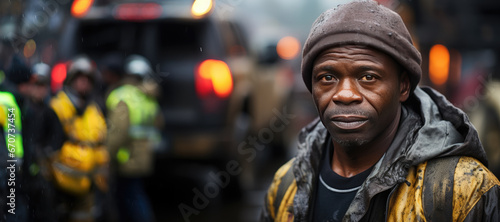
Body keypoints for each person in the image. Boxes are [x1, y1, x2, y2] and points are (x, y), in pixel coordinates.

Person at [261, 1, 500, 221]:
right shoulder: (287, 185)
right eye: (327, 77)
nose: (345, 94)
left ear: (403, 86)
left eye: (368, 77)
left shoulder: (462, 189)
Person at [45, 55, 109, 222]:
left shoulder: (94, 110)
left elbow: (100, 143)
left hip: (88, 185)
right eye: (80, 79)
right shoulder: (57, 107)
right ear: (71, 80)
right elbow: (48, 145)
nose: (83, 83)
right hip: (59, 185)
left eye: (87, 80)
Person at [105, 54, 162, 222]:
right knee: (134, 194)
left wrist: (107, 155)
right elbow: (159, 124)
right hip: (144, 157)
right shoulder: (149, 98)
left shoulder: (123, 96)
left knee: (130, 197)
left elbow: (118, 134)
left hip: (126, 158)